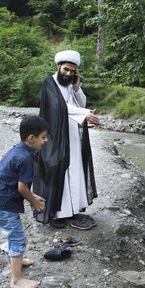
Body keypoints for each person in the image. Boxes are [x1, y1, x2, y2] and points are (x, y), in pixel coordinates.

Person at [33, 50, 99, 230]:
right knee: (56, 170)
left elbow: (81, 103)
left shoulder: (70, 84)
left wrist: (77, 88)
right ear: (58, 66)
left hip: (72, 135)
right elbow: (59, 107)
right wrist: (84, 115)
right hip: (54, 136)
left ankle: (73, 209)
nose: (69, 74)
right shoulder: (49, 83)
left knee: (75, 170)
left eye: (72, 71)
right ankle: (55, 212)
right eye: (66, 70)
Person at [0, 115, 48, 288]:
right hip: (3, 206)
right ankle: (16, 280)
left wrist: (32, 194)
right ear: (31, 138)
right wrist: (34, 202)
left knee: (16, 236)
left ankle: (16, 262)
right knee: (18, 238)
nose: (45, 140)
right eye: (43, 137)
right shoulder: (26, 158)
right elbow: (21, 188)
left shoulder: (17, 150)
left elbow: (13, 180)